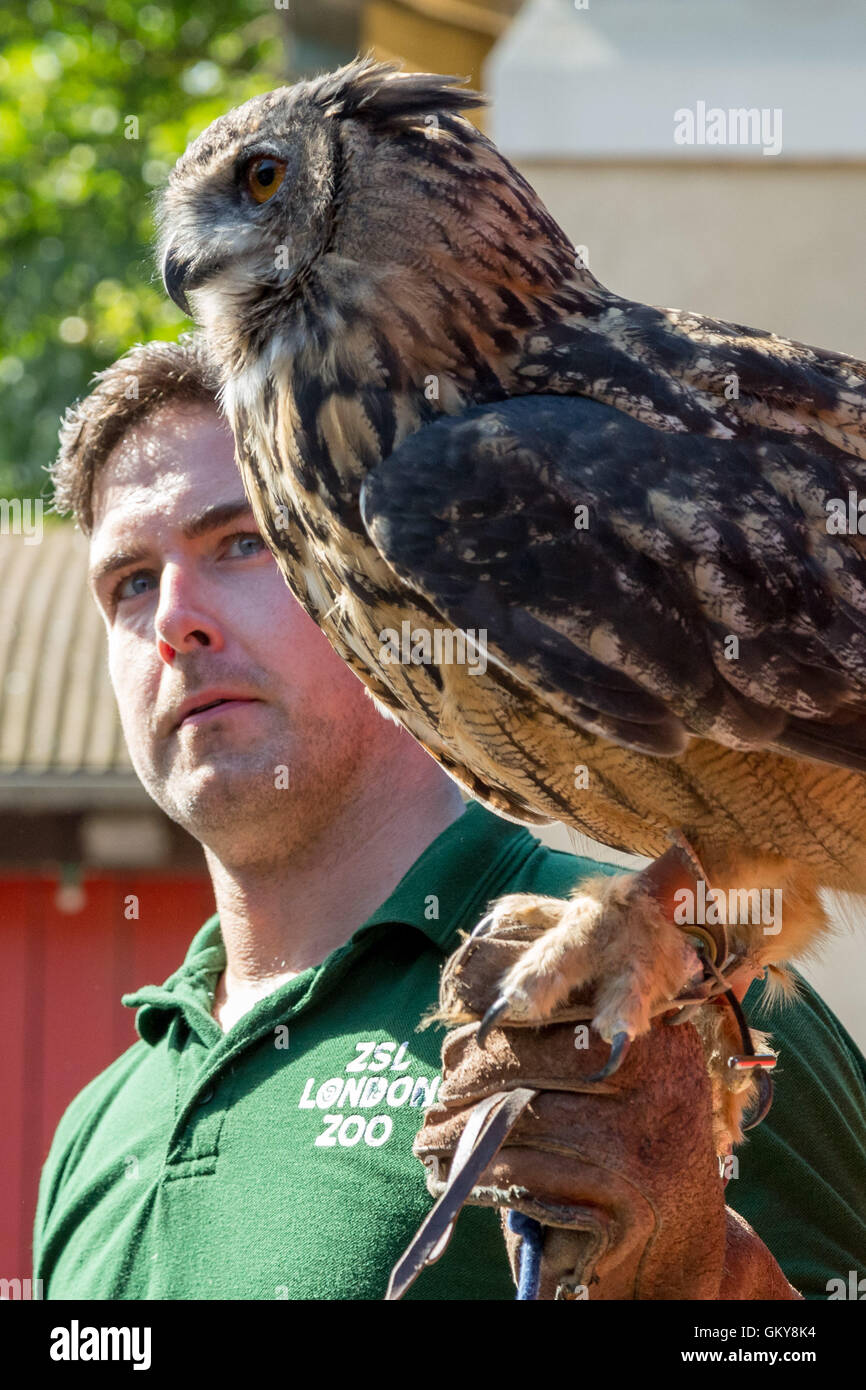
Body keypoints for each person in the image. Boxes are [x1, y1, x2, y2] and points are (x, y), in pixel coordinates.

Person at [34, 334, 866, 1300]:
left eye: (242, 542)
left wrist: (705, 1283)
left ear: (359, 565)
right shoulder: (99, 1127)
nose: (176, 618)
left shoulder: (665, 972)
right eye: (130, 581)